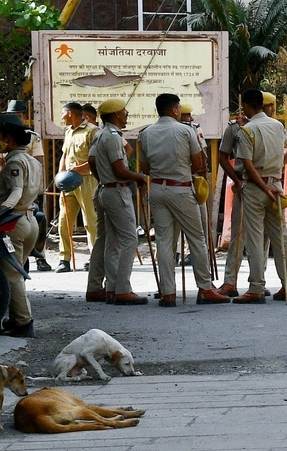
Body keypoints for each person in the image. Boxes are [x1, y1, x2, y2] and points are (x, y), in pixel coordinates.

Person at [141, 93, 227, 306]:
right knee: (196, 239)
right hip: (180, 189)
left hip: (158, 189)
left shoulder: (146, 133)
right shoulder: (185, 131)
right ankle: (205, 288)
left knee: (163, 241)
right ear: (175, 110)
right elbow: (198, 164)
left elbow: (144, 168)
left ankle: (168, 292)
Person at [234, 89, 287, 304]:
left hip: (255, 187)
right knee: (280, 237)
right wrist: (280, 166)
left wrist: (262, 186)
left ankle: (256, 287)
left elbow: (248, 165)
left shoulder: (247, 130)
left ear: (247, 107)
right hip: (276, 186)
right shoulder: (276, 125)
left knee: (255, 238)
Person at [87, 99, 147, 306]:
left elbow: (92, 161)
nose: (126, 114)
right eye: (123, 111)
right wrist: (139, 177)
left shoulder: (100, 134)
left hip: (105, 189)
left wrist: (103, 179)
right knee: (130, 239)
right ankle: (122, 289)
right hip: (116, 191)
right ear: (115, 115)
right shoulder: (112, 137)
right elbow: (120, 170)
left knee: (110, 242)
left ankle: (110, 288)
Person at [0, 118, 42, 335]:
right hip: (30, 220)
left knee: (11, 275)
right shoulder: (32, 161)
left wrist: (4, 208)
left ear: (8, 138)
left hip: (12, 222)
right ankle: (17, 318)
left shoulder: (14, 162)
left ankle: (24, 323)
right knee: (17, 271)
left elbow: (16, 191)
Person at [57, 101, 98, 273]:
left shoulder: (92, 131)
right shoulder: (68, 132)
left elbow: (95, 158)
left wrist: (78, 168)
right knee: (63, 221)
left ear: (71, 113)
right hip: (68, 181)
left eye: (63, 113)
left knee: (90, 221)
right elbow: (65, 155)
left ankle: (94, 258)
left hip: (87, 180)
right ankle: (64, 259)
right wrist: (60, 176)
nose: (61, 117)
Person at [215, 103, 247, 297]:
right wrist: (236, 179)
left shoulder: (273, 127)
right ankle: (230, 281)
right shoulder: (234, 128)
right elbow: (223, 156)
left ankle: (258, 282)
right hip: (247, 184)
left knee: (262, 236)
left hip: (263, 185)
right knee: (238, 234)